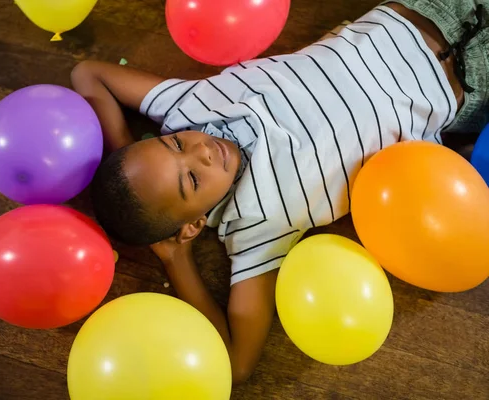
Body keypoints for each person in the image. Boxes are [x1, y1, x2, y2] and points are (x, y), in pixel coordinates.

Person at [71, 1, 488, 383]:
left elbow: (87, 73)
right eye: (192, 180)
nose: (202, 151)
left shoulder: (186, 108)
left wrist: (132, 162)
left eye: (175, 144)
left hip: (416, 14)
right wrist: (176, 258)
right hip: (469, 85)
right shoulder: (255, 229)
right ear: (194, 224)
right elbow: (233, 364)